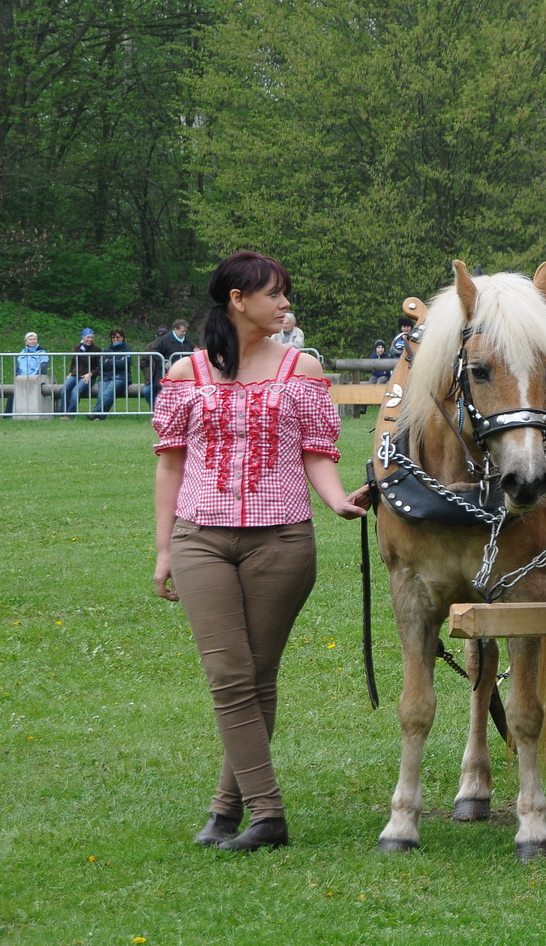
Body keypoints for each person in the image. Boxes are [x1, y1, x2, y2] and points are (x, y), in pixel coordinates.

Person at [151, 251, 364, 852]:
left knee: (255, 677)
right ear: (237, 300)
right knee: (229, 676)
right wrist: (164, 549)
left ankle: (225, 811)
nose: (285, 304)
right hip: (200, 539)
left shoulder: (303, 369)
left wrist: (336, 503)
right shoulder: (185, 373)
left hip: (282, 539)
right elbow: (170, 466)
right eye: (275, 294)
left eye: (286, 294)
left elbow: (317, 453)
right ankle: (266, 814)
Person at [147, 319, 196, 401]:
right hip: (166, 373)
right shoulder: (164, 340)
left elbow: (191, 351)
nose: (184, 333)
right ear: (175, 329)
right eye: (182, 331)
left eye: (185, 331)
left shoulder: (187, 341)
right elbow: (155, 352)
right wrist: (164, 362)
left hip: (183, 373)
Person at [90, 329, 133, 419]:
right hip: (106, 377)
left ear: (122, 337)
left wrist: (109, 361)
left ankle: (96, 413)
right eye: (113, 337)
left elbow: (125, 363)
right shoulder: (106, 350)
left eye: (118, 337)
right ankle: (99, 416)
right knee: (101, 395)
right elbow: (101, 364)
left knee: (108, 393)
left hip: (121, 377)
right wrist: (116, 362)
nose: (115, 339)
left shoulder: (127, 349)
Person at [4, 332, 50, 414]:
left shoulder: (42, 353)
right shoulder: (21, 353)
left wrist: (35, 377)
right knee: (13, 391)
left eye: (34, 339)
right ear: (26, 342)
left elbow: (43, 367)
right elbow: (17, 367)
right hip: (22, 378)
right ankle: (8, 414)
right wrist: (18, 377)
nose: (32, 341)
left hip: (36, 378)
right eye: (30, 339)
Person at [61, 328, 100, 416]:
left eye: (92, 337)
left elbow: (100, 367)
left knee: (76, 391)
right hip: (76, 374)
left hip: (88, 376)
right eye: (88, 337)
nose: (90, 340)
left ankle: (70, 414)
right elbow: (74, 361)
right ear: (83, 337)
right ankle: (63, 413)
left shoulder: (96, 349)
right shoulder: (77, 347)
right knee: (64, 388)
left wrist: (91, 374)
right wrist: (71, 372)